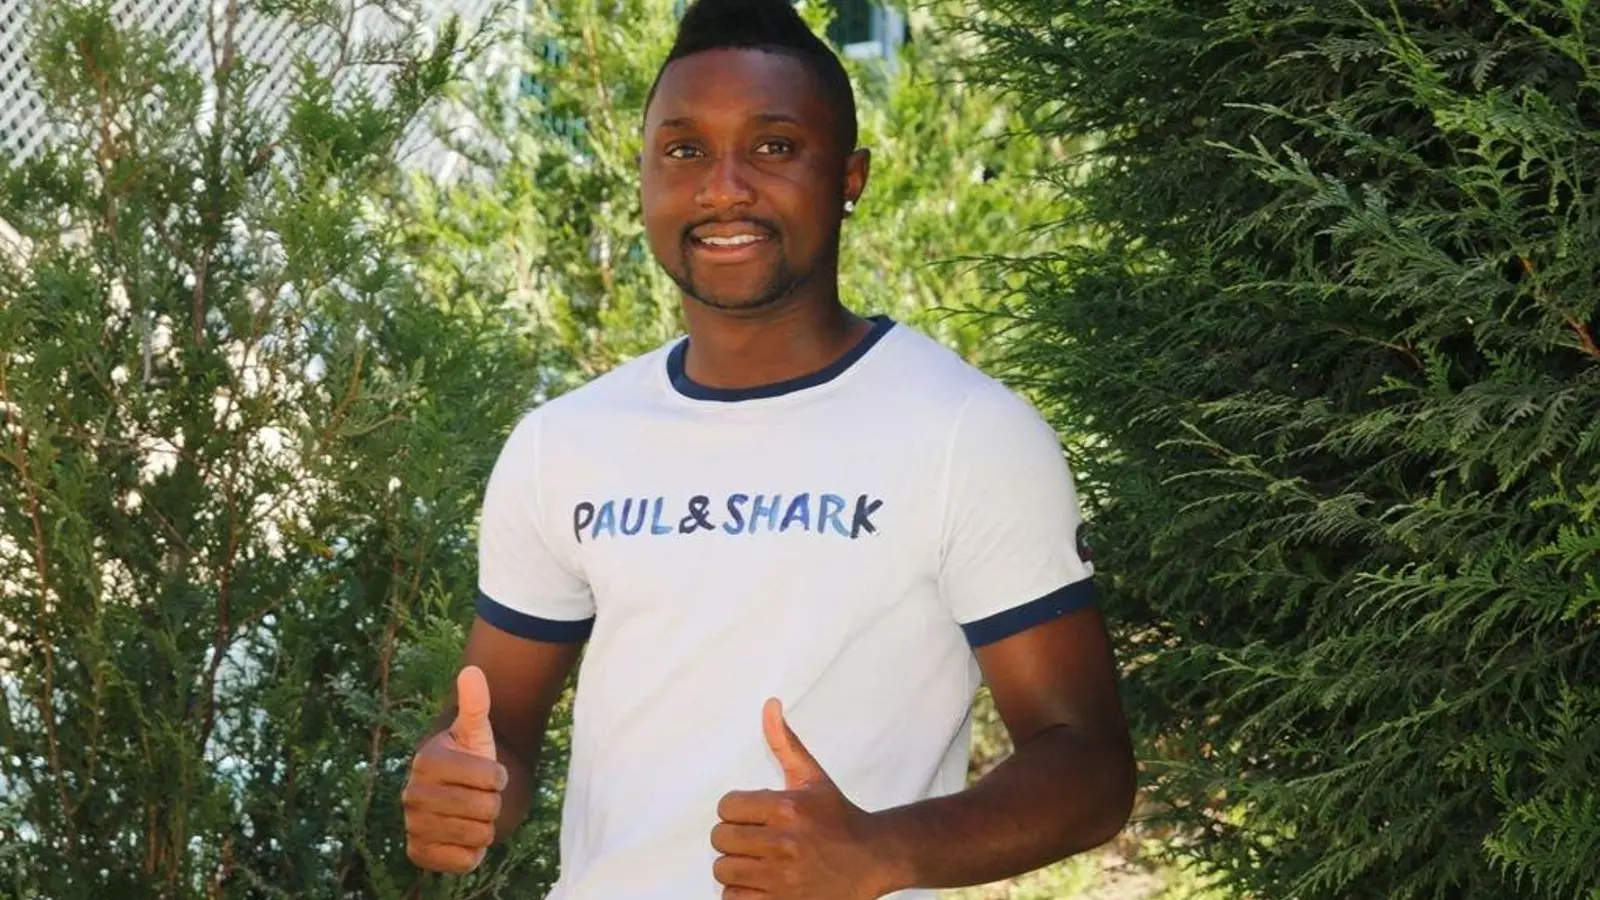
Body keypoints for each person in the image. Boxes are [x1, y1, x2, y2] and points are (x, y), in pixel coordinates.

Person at [400, 0, 1136, 896]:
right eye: (684, 151)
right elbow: (498, 731)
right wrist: (467, 787)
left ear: (850, 178)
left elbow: (1089, 767)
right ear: (644, 178)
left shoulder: (965, 434)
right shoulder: (563, 443)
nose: (723, 189)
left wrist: (882, 850)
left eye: (774, 146)